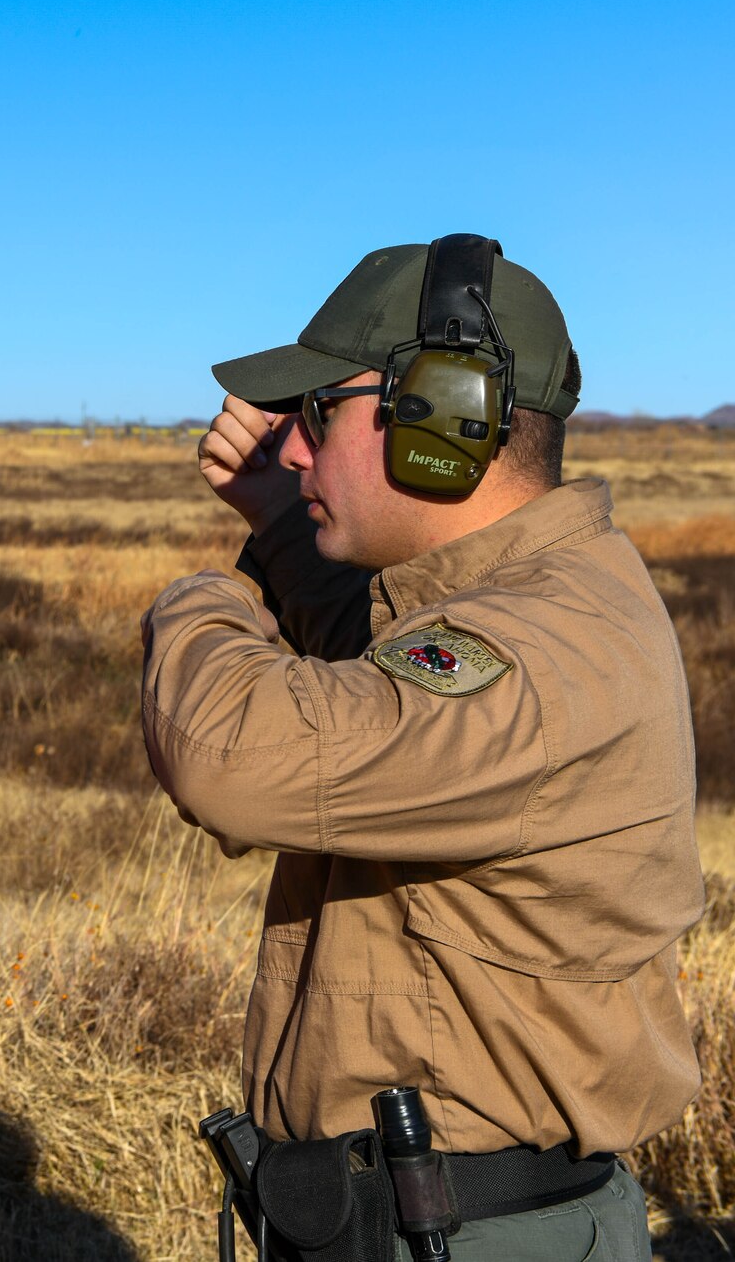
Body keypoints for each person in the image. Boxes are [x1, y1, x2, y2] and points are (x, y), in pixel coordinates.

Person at [139, 236, 703, 1260]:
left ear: (443, 415)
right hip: (426, 1222)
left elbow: (234, 754)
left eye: (319, 414)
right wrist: (278, 517)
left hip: (469, 1235)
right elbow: (381, 683)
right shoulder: (522, 604)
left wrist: (205, 594)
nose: (295, 448)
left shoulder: (534, 650)